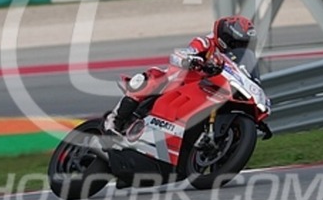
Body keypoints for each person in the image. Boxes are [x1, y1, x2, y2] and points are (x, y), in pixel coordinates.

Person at [103, 16, 261, 135]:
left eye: (244, 45)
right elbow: (182, 54)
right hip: (182, 82)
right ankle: (115, 120)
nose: (239, 48)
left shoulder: (236, 60)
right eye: (237, 44)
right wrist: (192, 60)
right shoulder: (205, 42)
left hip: (207, 92)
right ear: (226, 38)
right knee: (151, 77)